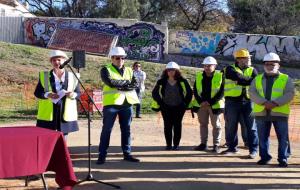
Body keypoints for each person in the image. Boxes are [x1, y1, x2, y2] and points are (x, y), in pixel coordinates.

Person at [249, 52, 294, 167]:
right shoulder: (257, 79)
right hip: (261, 113)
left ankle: (283, 158)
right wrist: (264, 102)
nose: (270, 66)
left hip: (280, 113)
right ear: (264, 65)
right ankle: (264, 157)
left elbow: (290, 93)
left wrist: (275, 103)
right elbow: (252, 93)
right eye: (267, 64)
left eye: (273, 64)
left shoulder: (286, 79)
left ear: (278, 65)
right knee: (263, 137)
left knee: (283, 138)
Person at [97, 47, 140, 165]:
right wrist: (126, 82)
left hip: (126, 104)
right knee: (107, 130)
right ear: (112, 58)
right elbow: (110, 82)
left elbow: (136, 84)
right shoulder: (106, 69)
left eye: (122, 58)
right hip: (112, 104)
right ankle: (102, 155)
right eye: (117, 58)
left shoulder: (129, 70)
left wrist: (120, 85)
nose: (120, 60)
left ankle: (127, 153)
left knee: (126, 130)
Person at [34, 50, 80, 139]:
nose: (56, 62)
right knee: (48, 138)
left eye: (59, 60)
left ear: (64, 61)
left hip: (65, 112)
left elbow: (78, 93)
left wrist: (72, 95)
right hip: (49, 113)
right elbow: (37, 93)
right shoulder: (45, 76)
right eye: (53, 60)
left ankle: (61, 152)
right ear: (51, 62)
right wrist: (47, 95)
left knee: (63, 138)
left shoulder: (73, 76)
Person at [222, 48, 258, 158]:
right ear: (239, 59)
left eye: (248, 58)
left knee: (251, 127)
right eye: (246, 58)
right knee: (231, 126)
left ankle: (253, 150)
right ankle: (232, 148)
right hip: (232, 102)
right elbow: (236, 77)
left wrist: (240, 81)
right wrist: (246, 80)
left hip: (248, 102)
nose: (248, 59)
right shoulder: (229, 69)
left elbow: (256, 82)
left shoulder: (253, 70)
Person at [152, 62, 192, 150]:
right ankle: (168, 145)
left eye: (173, 70)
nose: (171, 72)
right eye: (169, 70)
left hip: (179, 107)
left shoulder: (183, 81)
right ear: (166, 71)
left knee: (177, 125)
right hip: (166, 107)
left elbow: (189, 92)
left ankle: (176, 145)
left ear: (177, 71)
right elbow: (155, 93)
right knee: (167, 125)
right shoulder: (161, 81)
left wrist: (185, 104)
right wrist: (161, 102)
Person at [192, 56, 224, 153]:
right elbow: (195, 90)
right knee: (203, 124)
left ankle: (216, 145)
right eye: (205, 66)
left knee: (216, 125)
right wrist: (201, 101)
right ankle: (203, 144)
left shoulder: (220, 76)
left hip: (215, 105)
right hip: (201, 105)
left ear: (214, 66)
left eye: (209, 65)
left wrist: (210, 102)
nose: (207, 67)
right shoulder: (199, 76)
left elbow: (222, 91)